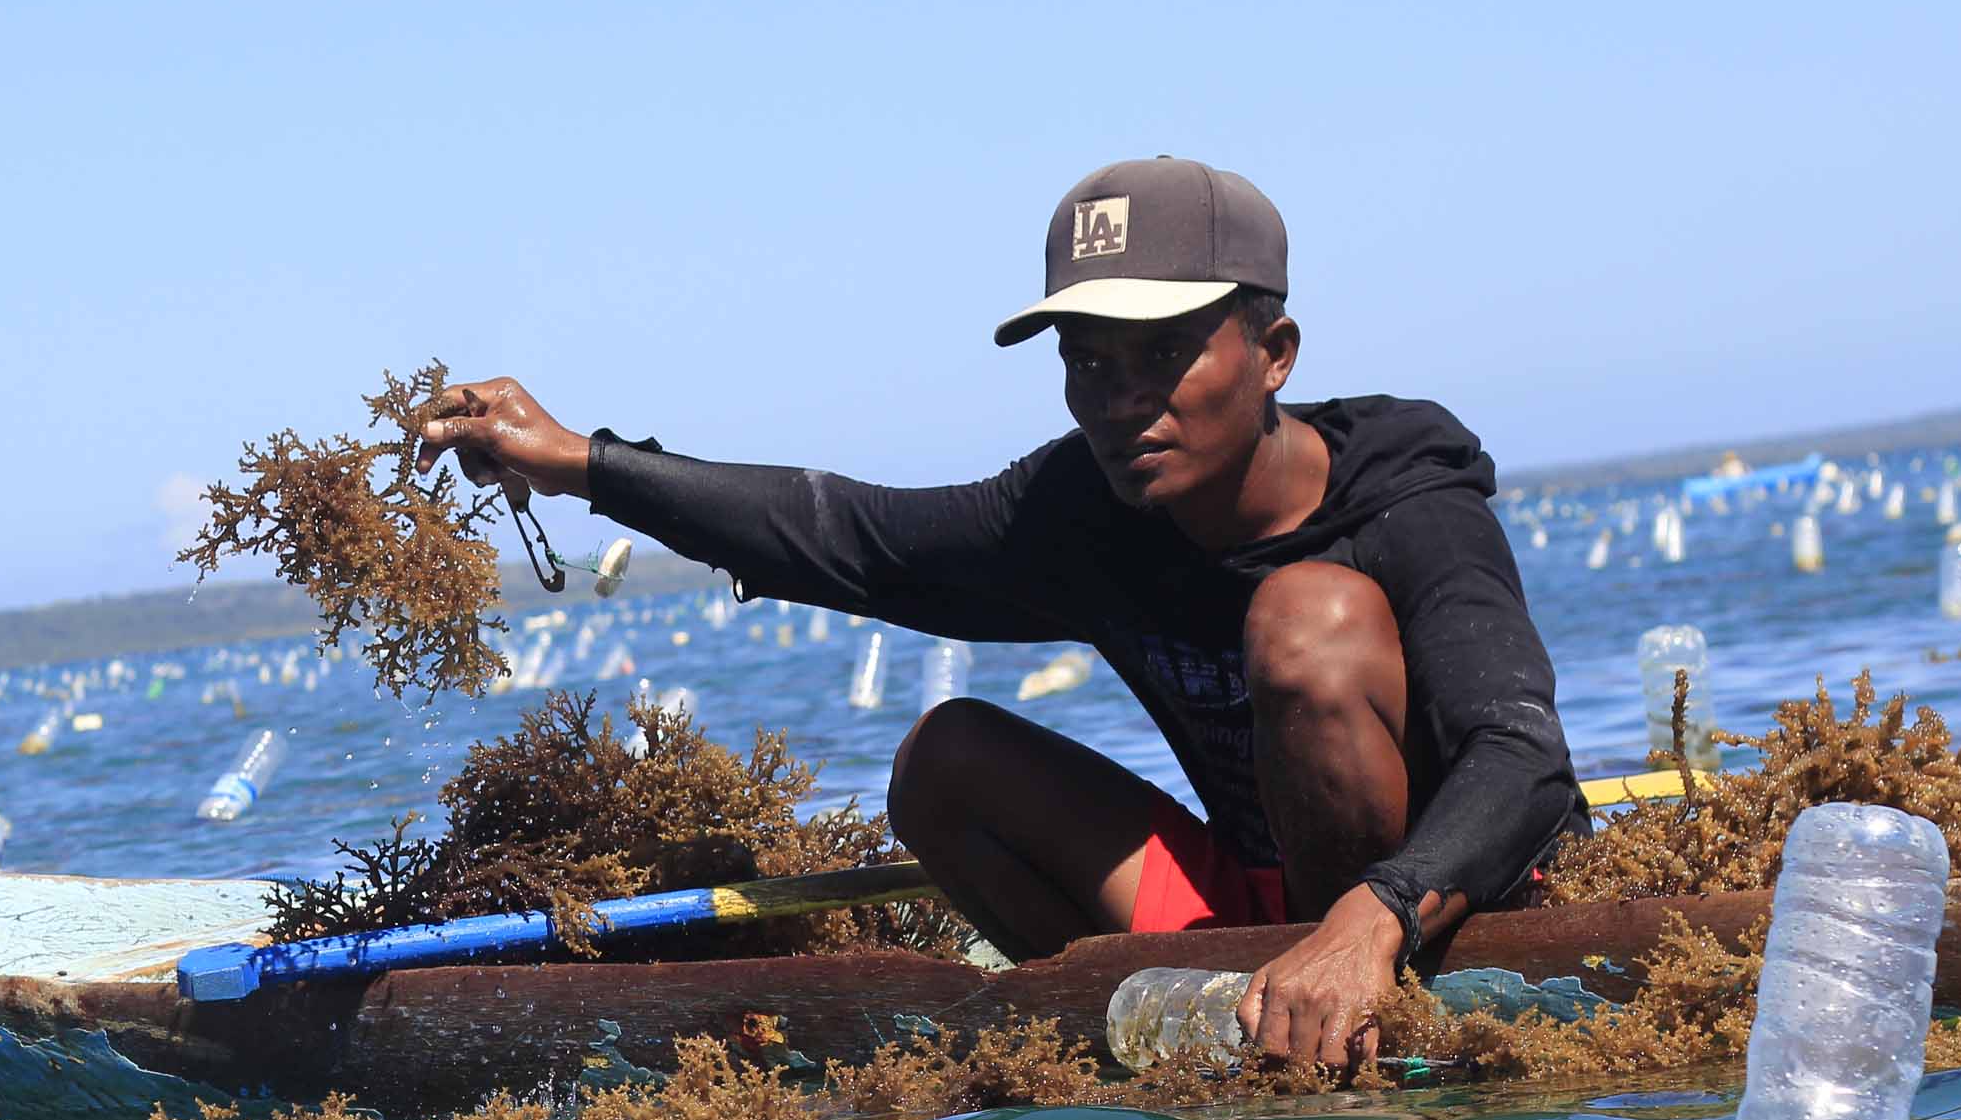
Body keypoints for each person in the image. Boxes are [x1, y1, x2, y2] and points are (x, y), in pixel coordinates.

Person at [417, 156, 1590, 1069]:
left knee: (1306, 619)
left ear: (1273, 352)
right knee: (948, 758)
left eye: (1165, 354)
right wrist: (578, 461)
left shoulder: (1408, 495)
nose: (1123, 401)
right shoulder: (1084, 507)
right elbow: (850, 537)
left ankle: (1360, 1021)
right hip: (1258, 915)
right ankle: (1163, 1021)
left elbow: (1524, 760)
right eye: (1089, 362)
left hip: (1444, 909)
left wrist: (1370, 923)